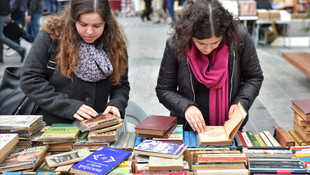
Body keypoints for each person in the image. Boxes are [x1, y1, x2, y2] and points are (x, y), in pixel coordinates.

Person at [155, 0, 263, 133]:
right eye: (201, 43)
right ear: (190, 36)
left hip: (229, 128)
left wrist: (240, 103)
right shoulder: (176, 45)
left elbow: (254, 77)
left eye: (215, 42)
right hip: (189, 128)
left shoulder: (239, 38)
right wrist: (186, 107)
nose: (208, 49)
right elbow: (164, 89)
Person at [20, 0, 130, 125]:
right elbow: (30, 79)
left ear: (106, 23)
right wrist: (68, 106)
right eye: (83, 24)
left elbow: (121, 85)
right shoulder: (52, 35)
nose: (89, 32)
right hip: (53, 125)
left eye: (97, 26)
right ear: (73, 19)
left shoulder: (115, 44)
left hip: (95, 127)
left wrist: (117, 103)